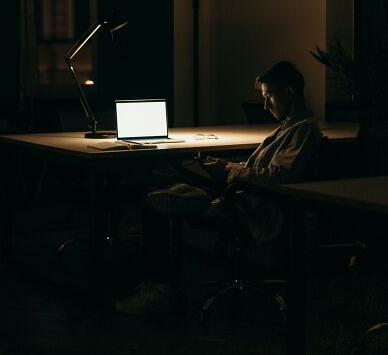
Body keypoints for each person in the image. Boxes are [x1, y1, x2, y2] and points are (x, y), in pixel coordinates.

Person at [115, 61, 323, 314]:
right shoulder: (288, 128)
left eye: (269, 96)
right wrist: (228, 165)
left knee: (154, 200)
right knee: (163, 178)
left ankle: (158, 288)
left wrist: (228, 170)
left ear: (289, 93)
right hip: (241, 193)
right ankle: (157, 280)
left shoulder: (303, 131)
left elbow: (277, 177)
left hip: (250, 205)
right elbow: (264, 168)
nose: (265, 105)